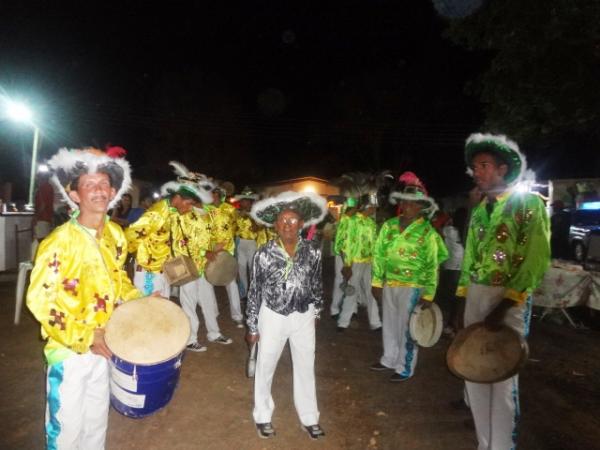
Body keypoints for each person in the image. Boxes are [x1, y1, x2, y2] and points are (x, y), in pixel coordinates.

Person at [26, 147, 142, 449]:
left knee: (95, 425)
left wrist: (139, 302)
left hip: (105, 345)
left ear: (114, 191)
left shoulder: (116, 235)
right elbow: (40, 300)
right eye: (89, 184)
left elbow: (118, 279)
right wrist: (86, 335)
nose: (99, 190)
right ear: (74, 195)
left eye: (104, 183)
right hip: (69, 349)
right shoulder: (58, 242)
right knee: (66, 430)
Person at [457, 133, 550, 449]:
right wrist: (462, 299)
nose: (477, 172)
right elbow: (470, 255)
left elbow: (536, 257)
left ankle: (502, 446)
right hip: (477, 294)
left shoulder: (528, 204)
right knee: (474, 372)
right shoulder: (481, 209)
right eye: (474, 167)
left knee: (503, 376)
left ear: (502, 169)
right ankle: (485, 443)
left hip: (508, 298)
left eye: (483, 165)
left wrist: (508, 303)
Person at [245, 191, 327, 440]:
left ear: (302, 224)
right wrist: (252, 325)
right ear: (275, 224)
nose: (287, 225)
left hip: (304, 315)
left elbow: (316, 284)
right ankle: (263, 415)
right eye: (282, 220)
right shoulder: (263, 253)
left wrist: (318, 310)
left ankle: (310, 417)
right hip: (272, 315)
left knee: (305, 365)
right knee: (265, 365)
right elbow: (254, 290)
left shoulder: (312, 252)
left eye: (292, 220)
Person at [126, 161, 231, 351]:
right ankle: (144, 350)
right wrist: (142, 258)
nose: (190, 207)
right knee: (149, 311)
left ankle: (156, 349)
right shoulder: (159, 213)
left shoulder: (172, 211)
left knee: (161, 310)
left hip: (163, 271)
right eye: (189, 203)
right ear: (179, 198)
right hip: (150, 271)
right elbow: (130, 236)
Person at [370, 172, 448, 382]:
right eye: (404, 202)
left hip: (413, 286)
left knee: (408, 327)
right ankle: (388, 358)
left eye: (413, 204)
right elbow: (378, 255)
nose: (408, 207)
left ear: (421, 206)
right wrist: (377, 282)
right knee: (389, 322)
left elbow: (432, 266)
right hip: (390, 283)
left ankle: (405, 366)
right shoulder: (389, 226)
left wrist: (429, 295)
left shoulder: (427, 233)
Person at [336, 194, 382, 332]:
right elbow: (347, 243)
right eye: (373, 206)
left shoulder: (371, 223)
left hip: (369, 261)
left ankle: (375, 322)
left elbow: (374, 244)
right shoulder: (352, 221)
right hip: (355, 261)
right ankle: (343, 321)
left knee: (371, 291)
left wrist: (376, 262)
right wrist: (347, 264)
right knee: (352, 291)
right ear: (367, 206)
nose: (375, 209)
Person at [203, 184, 244, 327]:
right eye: (211, 194)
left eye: (215, 194)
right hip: (209, 250)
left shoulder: (230, 209)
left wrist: (223, 246)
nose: (213, 197)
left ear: (220, 195)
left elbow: (236, 228)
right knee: (208, 281)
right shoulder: (205, 209)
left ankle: (237, 315)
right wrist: (209, 249)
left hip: (226, 250)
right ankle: (213, 312)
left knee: (231, 282)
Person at [330, 197, 357, 319]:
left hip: (354, 255)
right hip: (342, 255)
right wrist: (345, 262)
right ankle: (334, 309)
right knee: (340, 280)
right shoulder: (343, 221)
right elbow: (339, 242)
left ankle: (352, 308)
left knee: (353, 281)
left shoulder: (355, 221)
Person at [234, 186, 260, 297]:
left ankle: (253, 293)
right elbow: (233, 227)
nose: (243, 203)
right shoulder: (237, 213)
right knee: (241, 269)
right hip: (240, 242)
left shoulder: (256, 213)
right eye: (242, 201)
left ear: (250, 202)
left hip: (251, 243)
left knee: (252, 268)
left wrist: (250, 217)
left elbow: (257, 228)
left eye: (246, 201)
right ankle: (243, 293)